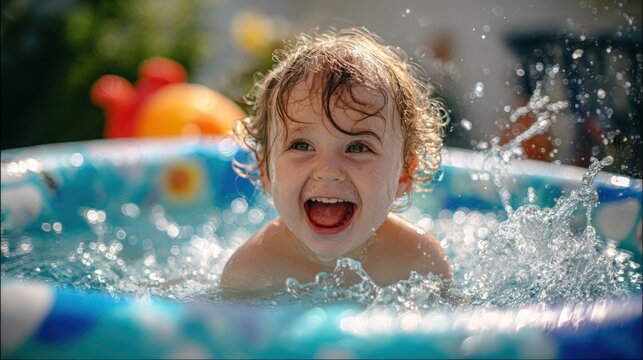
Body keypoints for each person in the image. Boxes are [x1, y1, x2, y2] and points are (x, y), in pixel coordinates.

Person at [220, 27, 451, 294]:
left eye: (357, 147)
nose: (328, 170)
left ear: (404, 175)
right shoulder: (252, 273)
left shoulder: (419, 262)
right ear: (265, 171)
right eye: (302, 145)